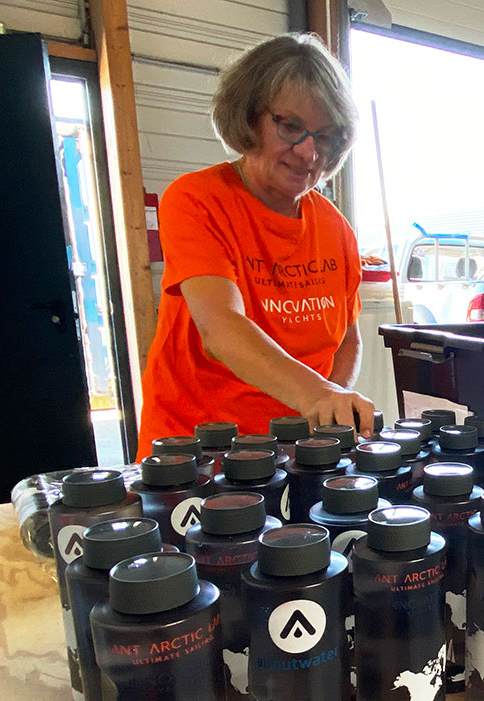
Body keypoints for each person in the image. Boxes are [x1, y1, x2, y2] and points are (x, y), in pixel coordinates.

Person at [136, 33, 373, 456]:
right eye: (291, 127)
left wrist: (327, 417)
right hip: (197, 454)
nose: (308, 153)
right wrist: (318, 395)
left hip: (294, 455)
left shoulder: (335, 228)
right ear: (248, 117)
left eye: (325, 136)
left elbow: (347, 342)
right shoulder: (197, 200)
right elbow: (221, 329)